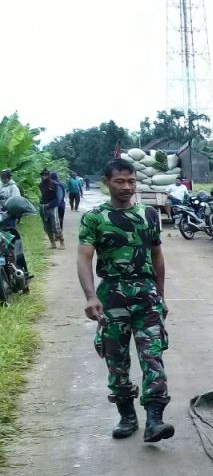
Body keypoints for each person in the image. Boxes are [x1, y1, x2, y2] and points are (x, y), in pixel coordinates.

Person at [77, 158, 174, 442]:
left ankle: (155, 419)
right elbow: (84, 257)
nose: (127, 187)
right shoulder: (94, 218)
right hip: (112, 296)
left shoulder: (148, 215)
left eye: (131, 181)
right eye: (120, 181)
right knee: (116, 360)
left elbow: (157, 255)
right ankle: (127, 416)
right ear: (106, 183)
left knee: (152, 356)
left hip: (146, 295)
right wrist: (91, 296)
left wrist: (161, 295)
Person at [39, 171, 65, 248]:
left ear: (49, 176)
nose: (44, 177)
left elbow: (57, 198)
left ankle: (62, 242)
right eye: (43, 175)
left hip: (53, 207)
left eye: (46, 175)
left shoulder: (54, 184)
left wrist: (49, 204)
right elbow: (42, 196)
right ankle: (52, 243)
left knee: (55, 225)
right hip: (43, 207)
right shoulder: (41, 185)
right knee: (47, 226)